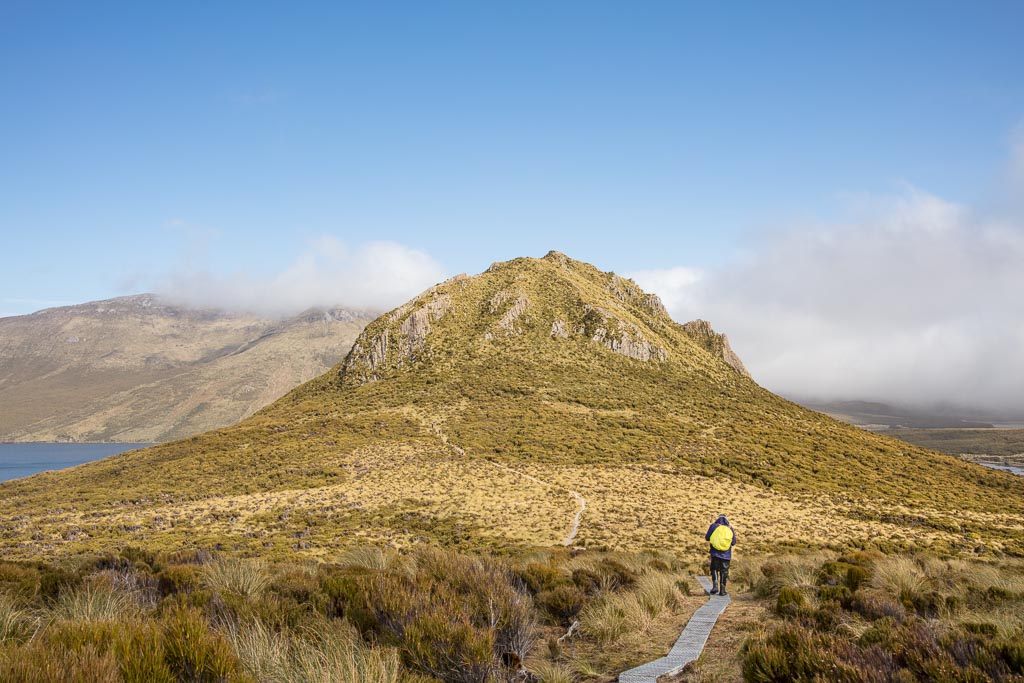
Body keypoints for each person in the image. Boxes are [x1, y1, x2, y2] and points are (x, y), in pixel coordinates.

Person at [705, 514, 736, 596]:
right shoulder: (729, 528)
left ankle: (715, 586)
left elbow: (707, 537)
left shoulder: (714, 526)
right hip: (726, 555)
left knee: (714, 569)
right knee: (724, 571)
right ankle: (722, 590)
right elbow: (733, 542)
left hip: (715, 553)